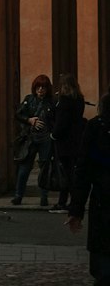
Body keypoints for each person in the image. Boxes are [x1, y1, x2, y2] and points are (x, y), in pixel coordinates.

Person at [67, 93, 110, 286]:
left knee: (103, 265)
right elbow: (83, 171)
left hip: (102, 205)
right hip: (104, 204)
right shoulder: (96, 129)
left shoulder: (95, 128)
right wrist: (76, 209)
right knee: (103, 267)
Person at [12, 73, 56, 206]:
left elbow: (55, 120)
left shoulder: (52, 102)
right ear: (34, 88)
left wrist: (51, 133)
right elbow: (18, 114)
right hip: (30, 138)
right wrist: (29, 120)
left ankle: (44, 197)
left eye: (43, 87)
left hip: (45, 139)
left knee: (44, 168)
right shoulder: (29, 99)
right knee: (24, 168)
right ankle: (18, 196)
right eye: (38, 87)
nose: (41, 90)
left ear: (47, 89)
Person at [50, 73, 86, 212]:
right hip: (76, 139)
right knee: (70, 172)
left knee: (66, 173)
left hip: (64, 142)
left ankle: (70, 202)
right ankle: (63, 201)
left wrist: (53, 135)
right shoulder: (79, 99)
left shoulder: (64, 100)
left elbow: (61, 121)